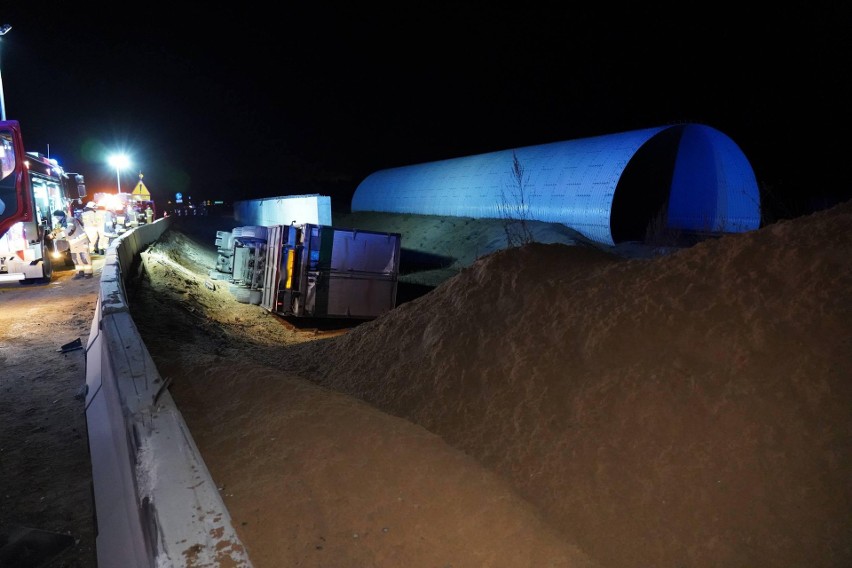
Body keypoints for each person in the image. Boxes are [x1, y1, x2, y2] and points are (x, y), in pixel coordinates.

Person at [51, 210, 92, 279]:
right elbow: (56, 230)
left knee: (84, 257)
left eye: (58, 217)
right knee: (75, 259)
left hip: (81, 241)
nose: (57, 218)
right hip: (73, 243)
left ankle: (88, 273)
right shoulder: (60, 223)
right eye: (56, 217)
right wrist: (51, 234)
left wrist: (57, 236)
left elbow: (70, 230)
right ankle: (80, 272)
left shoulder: (70, 220)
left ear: (62, 216)